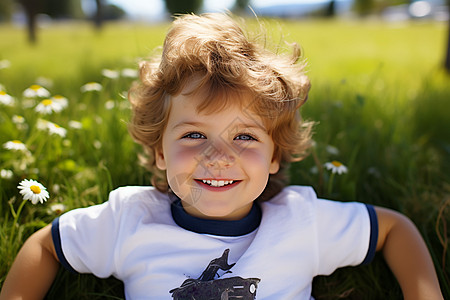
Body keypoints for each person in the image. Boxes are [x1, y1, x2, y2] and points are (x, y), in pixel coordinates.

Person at [0, 13, 444, 300]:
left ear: (275, 156)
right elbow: (46, 245)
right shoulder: (129, 220)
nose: (218, 156)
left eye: (246, 138)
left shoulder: (301, 222)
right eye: (194, 134)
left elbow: (393, 229)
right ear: (159, 151)